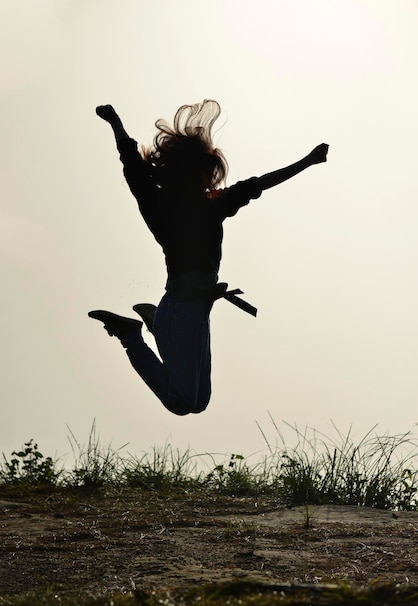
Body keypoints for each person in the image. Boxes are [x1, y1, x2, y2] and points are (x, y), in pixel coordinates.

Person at [89, 99, 328, 415]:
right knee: (183, 402)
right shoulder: (175, 204)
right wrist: (115, 122)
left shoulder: (207, 203)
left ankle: (156, 322)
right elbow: (131, 161)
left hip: (195, 309)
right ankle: (131, 335)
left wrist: (307, 161)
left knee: (198, 403)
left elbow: (259, 184)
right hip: (183, 306)